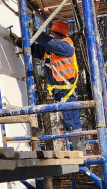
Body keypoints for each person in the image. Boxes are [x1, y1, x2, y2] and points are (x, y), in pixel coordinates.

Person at [19, 21, 83, 150]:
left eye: (52, 32)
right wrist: (18, 41)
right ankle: (75, 150)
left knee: (72, 122)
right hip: (59, 92)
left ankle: (79, 152)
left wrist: (35, 31)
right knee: (67, 122)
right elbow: (37, 50)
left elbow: (50, 43)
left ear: (57, 32)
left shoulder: (66, 45)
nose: (51, 33)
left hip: (66, 92)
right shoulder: (53, 48)